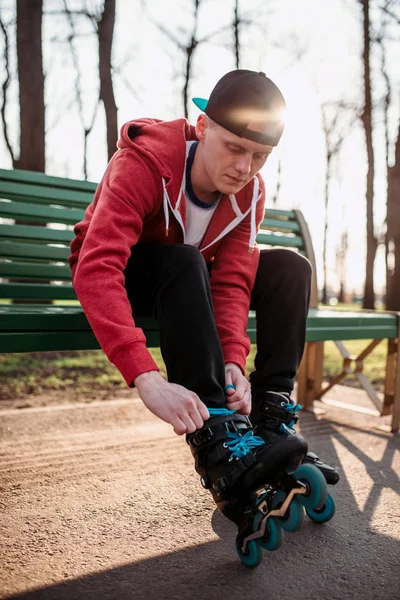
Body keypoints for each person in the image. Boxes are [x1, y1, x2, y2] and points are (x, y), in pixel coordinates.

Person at [69, 70, 338, 546]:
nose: (244, 167)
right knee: (184, 259)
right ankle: (219, 443)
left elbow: (233, 280)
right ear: (203, 125)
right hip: (127, 273)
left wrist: (234, 358)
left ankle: (270, 420)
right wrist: (147, 377)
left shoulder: (250, 192)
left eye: (259, 157)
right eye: (234, 147)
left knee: (288, 268)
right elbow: (98, 266)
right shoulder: (145, 162)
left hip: (189, 277)